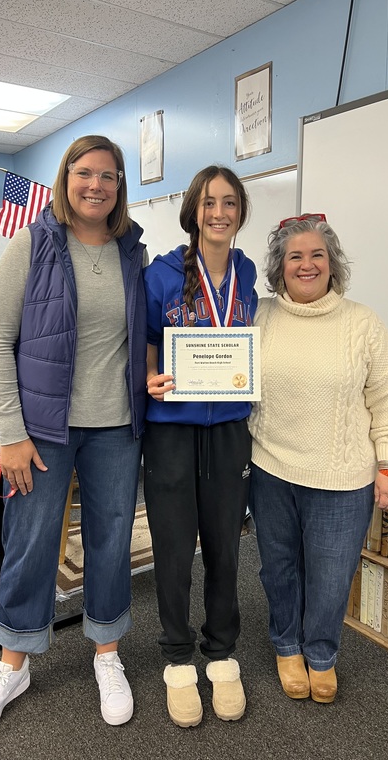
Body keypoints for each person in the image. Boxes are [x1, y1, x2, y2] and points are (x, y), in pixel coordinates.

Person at [0, 136, 147, 737]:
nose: (96, 185)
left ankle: (107, 655)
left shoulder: (132, 252)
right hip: (42, 431)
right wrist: (10, 434)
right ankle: (13, 664)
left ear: (120, 186)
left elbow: (136, 340)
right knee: (31, 540)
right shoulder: (34, 243)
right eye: (85, 173)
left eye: (109, 176)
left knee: (111, 539)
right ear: (67, 178)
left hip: (117, 427)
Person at [248, 214, 388, 704]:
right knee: (278, 567)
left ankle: (321, 654)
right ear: (279, 266)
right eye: (295, 256)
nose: (307, 264)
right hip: (270, 469)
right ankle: (286, 645)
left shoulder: (362, 323)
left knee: (331, 573)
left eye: (317, 254)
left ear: (332, 263)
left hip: (344, 477)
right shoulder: (258, 317)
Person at [143, 166, 258, 728]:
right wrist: (148, 377)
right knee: (171, 547)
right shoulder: (161, 276)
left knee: (224, 546)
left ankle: (221, 651)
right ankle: (176, 658)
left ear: (240, 211)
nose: (219, 212)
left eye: (229, 202)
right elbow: (142, 341)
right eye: (209, 202)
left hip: (229, 428)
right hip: (171, 429)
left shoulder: (248, 270)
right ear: (193, 210)